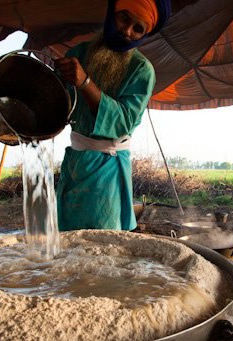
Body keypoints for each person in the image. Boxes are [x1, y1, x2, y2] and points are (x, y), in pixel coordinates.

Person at [54, 0, 171, 231]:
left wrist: (85, 83)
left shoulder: (141, 70)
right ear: (111, 13)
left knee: (103, 240)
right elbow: (60, 105)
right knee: (67, 237)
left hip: (108, 168)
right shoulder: (78, 54)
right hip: (75, 163)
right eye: (124, 18)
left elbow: (122, 124)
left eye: (138, 29)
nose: (127, 31)